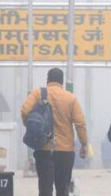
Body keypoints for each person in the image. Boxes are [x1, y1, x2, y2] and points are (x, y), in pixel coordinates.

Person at [21, 68, 89, 196]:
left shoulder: (37, 93)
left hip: (43, 149)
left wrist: (30, 126)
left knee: (45, 189)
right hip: (65, 151)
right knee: (63, 189)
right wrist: (84, 144)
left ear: (48, 80)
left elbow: (25, 110)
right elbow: (80, 124)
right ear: (61, 81)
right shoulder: (70, 98)